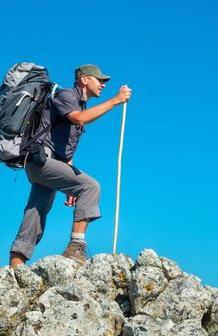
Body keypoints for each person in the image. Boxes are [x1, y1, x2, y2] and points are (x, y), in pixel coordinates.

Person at [9, 64, 132, 268]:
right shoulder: (68, 95)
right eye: (99, 79)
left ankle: (16, 262)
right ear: (84, 79)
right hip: (41, 160)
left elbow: (65, 149)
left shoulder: (79, 104)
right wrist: (116, 101)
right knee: (90, 186)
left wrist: (68, 181)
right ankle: (76, 246)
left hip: (43, 163)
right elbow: (80, 119)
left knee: (36, 210)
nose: (103, 84)